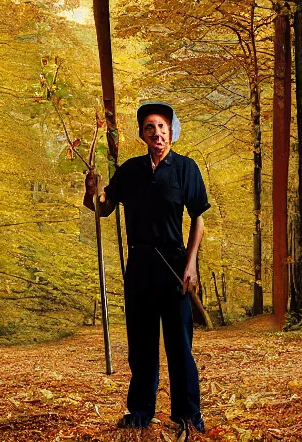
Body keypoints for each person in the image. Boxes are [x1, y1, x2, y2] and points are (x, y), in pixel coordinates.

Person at [83, 101, 210, 433]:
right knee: (141, 344)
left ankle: (187, 414)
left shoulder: (186, 169)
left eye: (162, 127)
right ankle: (140, 411)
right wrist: (90, 192)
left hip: (174, 265)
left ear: (171, 132)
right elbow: (103, 210)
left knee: (179, 344)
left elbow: (198, 218)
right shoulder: (129, 171)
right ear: (142, 133)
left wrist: (191, 263)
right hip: (139, 265)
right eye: (150, 127)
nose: (157, 132)